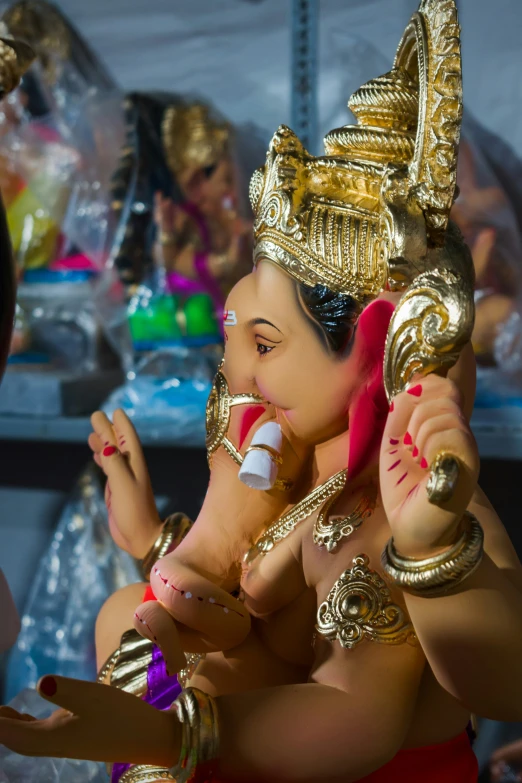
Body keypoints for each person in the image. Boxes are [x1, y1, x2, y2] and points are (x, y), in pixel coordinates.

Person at [3, 2, 522, 782]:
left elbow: (360, 713)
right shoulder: (295, 470)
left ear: (371, 351)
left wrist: (431, 543)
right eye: (232, 334)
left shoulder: (398, 503)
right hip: (260, 736)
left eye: (265, 345)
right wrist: (155, 541)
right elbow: (249, 616)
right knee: (124, 613)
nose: (236, 373)